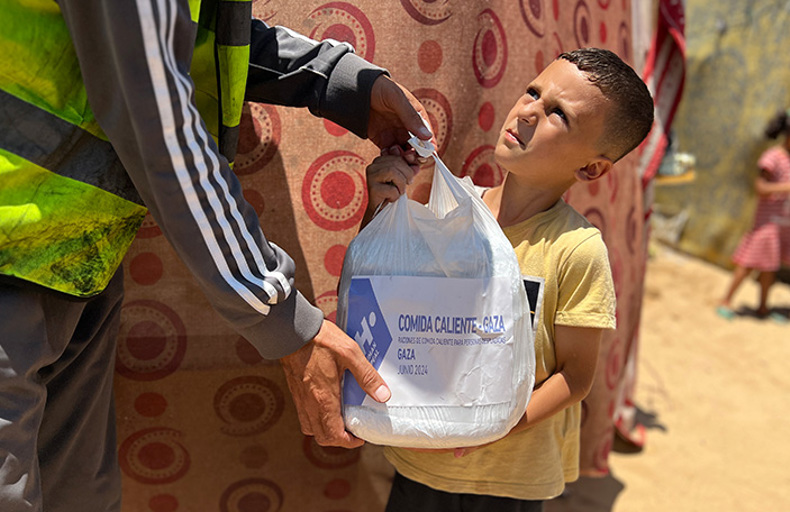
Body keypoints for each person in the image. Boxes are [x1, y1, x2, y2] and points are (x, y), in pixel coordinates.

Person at [0, 1, 434, 511]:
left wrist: (335, 81)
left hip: (79, 267)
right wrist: (281, 317)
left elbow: (182, 41)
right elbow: (155, 114)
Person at [364, 48, 654, 511]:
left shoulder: (575, 249)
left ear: (592, 168)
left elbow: (575, 378)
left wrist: (493, 427)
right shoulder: (449, 212)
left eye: (559, 113)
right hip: (423, 463)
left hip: (510, 481)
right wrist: (377, 210)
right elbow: (383, 306)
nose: (529, 110)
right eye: (533, 92)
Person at [717, 109, 790, 323]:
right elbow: (760, 188)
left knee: (770, 267)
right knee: (748, 263)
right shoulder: (773, 157)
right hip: (766, 224)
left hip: (782, 226)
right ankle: (726, 301)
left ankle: (763, 307)